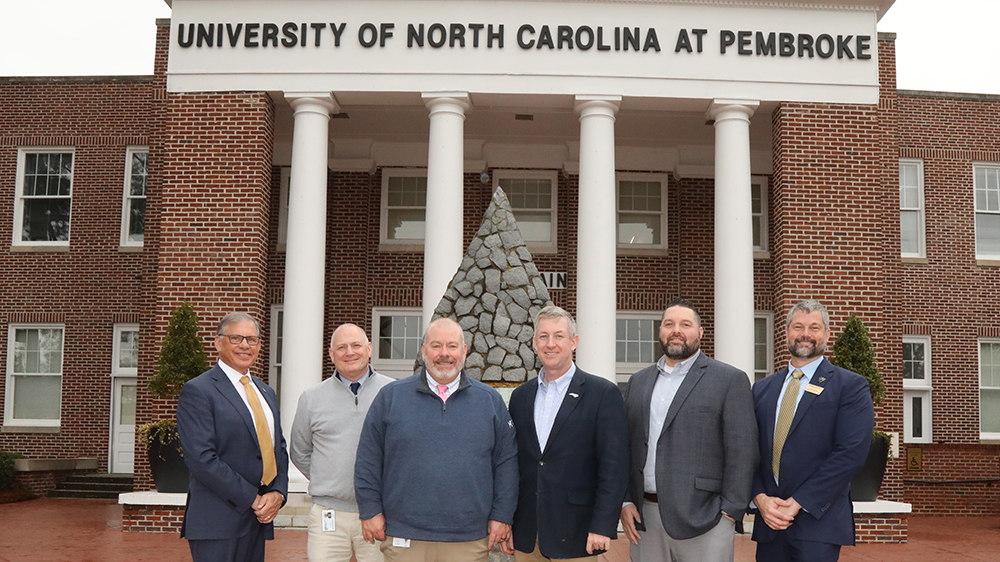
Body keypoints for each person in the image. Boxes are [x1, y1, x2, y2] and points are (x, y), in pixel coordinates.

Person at [354, 317, 518, 562]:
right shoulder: (391, 398)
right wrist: (370, 510)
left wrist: (502, 515)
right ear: (423, 351)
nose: (444, 354)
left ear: (463, 351)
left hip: (468, 540)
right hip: (404, 537)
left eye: (452, 346)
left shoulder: (489, 401)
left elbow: (506, 462)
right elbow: (368, 458)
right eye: (436, 346)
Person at [620, 298, 758, 562]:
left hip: (706, 520)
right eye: (669, 324)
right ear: (660, 331)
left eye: (686, 324)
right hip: (645, 518)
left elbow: (743, 450)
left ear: (700, 333)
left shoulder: (729, 379)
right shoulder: (638, 382)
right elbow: (626, 446)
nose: (676, 330)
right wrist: (625, 502)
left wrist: (730, 512)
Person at [751, 300, 874, 562]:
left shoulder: (850, 386)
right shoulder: (762, 390)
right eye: (798, 327)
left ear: (827, 334)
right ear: (786, 332)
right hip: (770, 523)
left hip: (818, 523)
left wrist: (798, 502)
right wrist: (759, 498)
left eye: (814, 327)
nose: (805, 334)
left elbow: (851, 453)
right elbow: (748, 450)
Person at [508, 305, 629, 561]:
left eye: (559, 336)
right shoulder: (520, 397)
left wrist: (603, 525)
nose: (550, 344)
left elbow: (614, 467)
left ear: (574, 342)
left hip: (578, 534)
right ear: (534, 342)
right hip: (529, 535)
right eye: (543, 336)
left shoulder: (602, 394)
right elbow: (515, 464)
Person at [176, 312, 289, 562]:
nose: (245, 345)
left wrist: (278, 492)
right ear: (218, 342)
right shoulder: (198, 390)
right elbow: (201, 458)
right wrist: (253, 499)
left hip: (257, 521)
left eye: (252, 339)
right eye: (236, 338)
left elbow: (277, 448)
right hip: (217, 522)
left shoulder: (266, 392)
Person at [290, 323, 393, 562]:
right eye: (342, 347)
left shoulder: (393, 393)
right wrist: (329, 478)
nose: (350, 352)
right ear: (331, 354)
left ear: (369, 349)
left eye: (356, 345)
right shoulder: (311, 398)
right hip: (328, 514)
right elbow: (300, 451)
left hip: (381, 512)